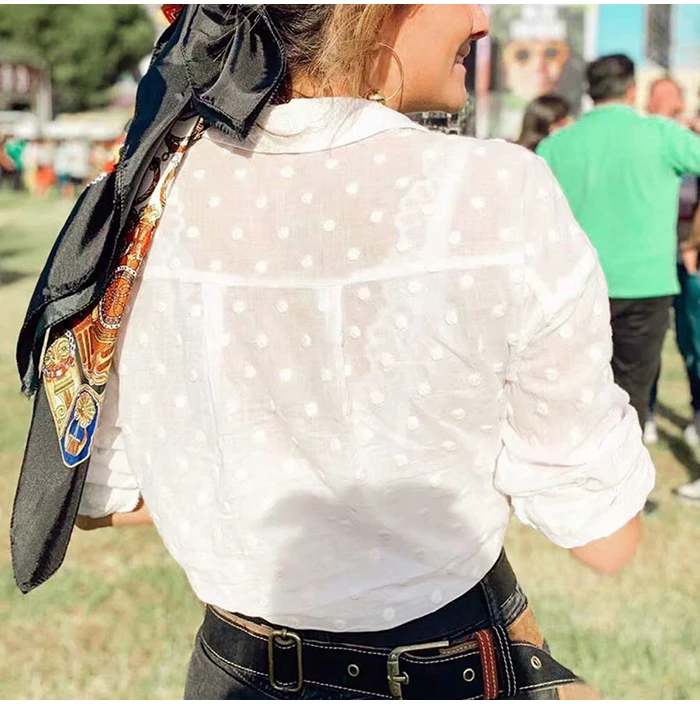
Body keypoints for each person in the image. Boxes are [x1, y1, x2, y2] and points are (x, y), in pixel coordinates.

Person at [13, 7, 654, 700]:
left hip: (233, 673)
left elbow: (100, 492)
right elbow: (605, 539)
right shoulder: (492, 189)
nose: (477, 19)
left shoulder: (145, 195)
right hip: (444, 668)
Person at [537, 55, 700, 437]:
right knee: (631, 397)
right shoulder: (662, 135)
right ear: (631, 90)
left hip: (575, 286)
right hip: (645, 286)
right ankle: (625, 468)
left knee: (574, 395)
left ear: (590, 92)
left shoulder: (555, 145)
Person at [643, 78, 700, 449]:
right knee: (647, 341)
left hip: (689, 255)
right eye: (657, 95)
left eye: (670, 95)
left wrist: (693, 242)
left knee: (693, 341)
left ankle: (697, 414)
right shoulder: (646, 137)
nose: (663, 101)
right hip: (654, 254)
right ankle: (644, 412)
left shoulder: (689, 138)